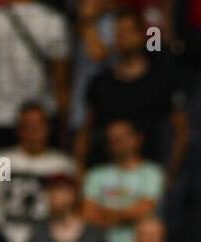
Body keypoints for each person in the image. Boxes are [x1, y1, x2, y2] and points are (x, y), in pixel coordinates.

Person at [78, 8, 188, 174]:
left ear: (142, 35)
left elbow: (180, 130)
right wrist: (80, 170)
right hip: (106, 176)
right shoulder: (101, 82)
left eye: (128, 31)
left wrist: (171, 173)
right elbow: (85, 131)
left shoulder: (161, 80)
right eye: (118, 32)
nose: (122, 37)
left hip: (150, 175)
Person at [0, 0, 71, 158]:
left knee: (2, 177)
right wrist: (63, 127)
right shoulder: (53, 22)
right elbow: (61, 82)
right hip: (41, 122)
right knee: (39, 176)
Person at [0, 102, 77, 242]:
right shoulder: (3, 161)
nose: (33, 130)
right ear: (18, 129)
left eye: (38, 124)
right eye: (27, 125)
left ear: (48, 127)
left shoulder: (61, 164)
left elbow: (71, 212)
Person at [81, 118, 165, 242]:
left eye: (121, 138)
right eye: (111, 139)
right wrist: (126, 214)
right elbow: (88, 215)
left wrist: (104, 213)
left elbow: (143, 210)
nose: (115, 143)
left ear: (137, 139)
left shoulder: (152, 173)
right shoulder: (95, 175)